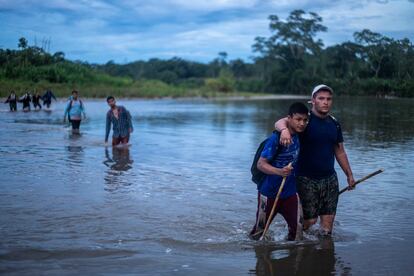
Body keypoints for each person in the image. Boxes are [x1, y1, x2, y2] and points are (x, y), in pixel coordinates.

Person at [275, 84, 355, 235]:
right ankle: (294, 241)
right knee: (309, 221)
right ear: (313, 100)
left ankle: (322, 255)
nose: (325, 102)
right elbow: (280, 122)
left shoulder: (334, 123)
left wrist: (349, 175)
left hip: (330, 180)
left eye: (329, 99)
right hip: (305, 179)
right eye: (321, 98)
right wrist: (284, 131)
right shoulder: (304, 120)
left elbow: (340, 152)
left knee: (327, 227)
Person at [250, 102, 309, 241]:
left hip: (290, 193)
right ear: (289, 118)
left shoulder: (299, 135)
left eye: (305, 120)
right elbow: (261, 164)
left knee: (298, 232)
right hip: (269, 193)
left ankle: (291, 261)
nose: (302, 123)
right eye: (298, 119)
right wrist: (279, 171)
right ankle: (258, 257)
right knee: (259, 233)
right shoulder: (276, 139)